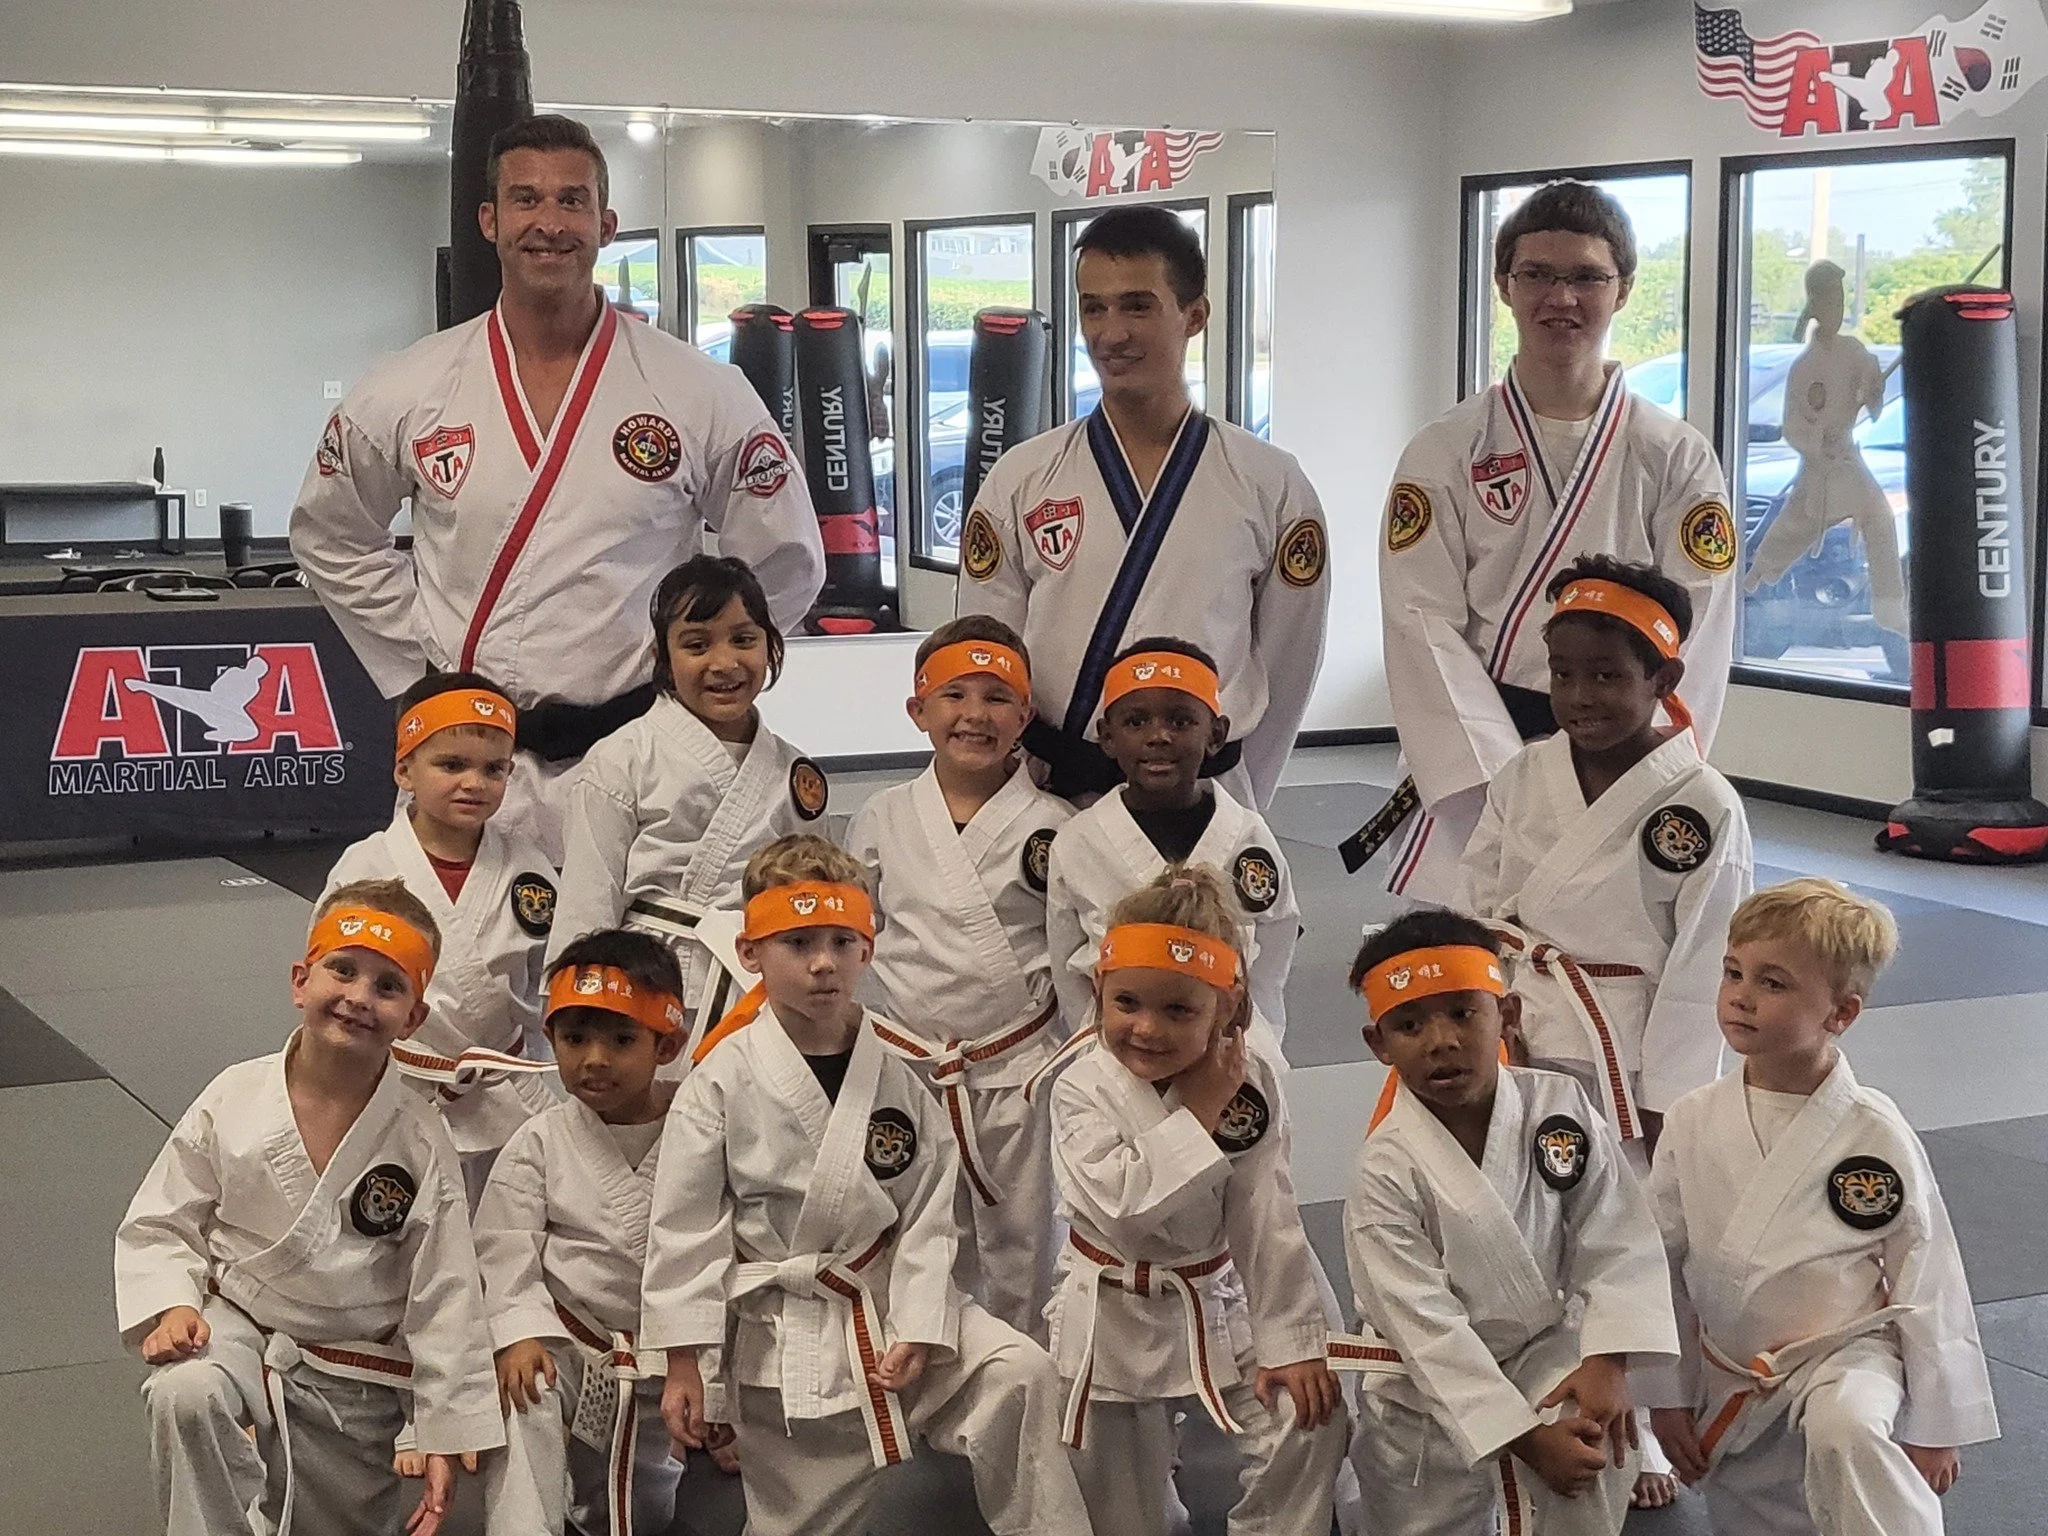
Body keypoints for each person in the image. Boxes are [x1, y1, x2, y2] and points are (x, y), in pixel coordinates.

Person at [290, 113, 825, 859]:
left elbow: (786, 558)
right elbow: (329, 534)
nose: (549, 223)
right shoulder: (407, 388)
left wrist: (705, 676)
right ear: (489, 220)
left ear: (606, 224)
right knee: (468, 966)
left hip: (641, 747)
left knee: (638, 967)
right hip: (471, 753)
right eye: (526, 199)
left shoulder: (700, 391)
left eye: (572, 200)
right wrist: (421, 655)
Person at [643, 836, 1093, 1536]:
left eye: (841, 941)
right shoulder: (721, 1080)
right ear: (753, 953)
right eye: (798, 943)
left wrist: (920, 1322)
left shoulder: (895, 1066)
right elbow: (684, 1230)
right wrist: (684, 1363)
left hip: (890, 1304)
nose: (823, 963)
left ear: (868, 951)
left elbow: (928, 1213)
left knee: (1019, 1372)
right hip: (789, 1329)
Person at [1379, 179, 1736, 902]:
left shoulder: (1673, 452)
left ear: (1625, 288)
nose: (1560, 298)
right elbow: (1421, 621)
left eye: (1585, 277)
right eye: (1537, 275)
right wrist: (1506, 776)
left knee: (1610, 962)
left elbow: (1697, 625)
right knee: (1477, 973)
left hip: (1622, 749)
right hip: (1484, 755)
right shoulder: (1445, 449)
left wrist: (1650, 759)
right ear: (1506, 287)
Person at [115, 880, 501, 1536]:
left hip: (351, 1366)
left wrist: (442, 1425)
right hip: (234, 1327)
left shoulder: (416, 1137)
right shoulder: (233, 1094)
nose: (358, 996)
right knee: (184, 1393)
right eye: (342, 970)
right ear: (301, 980)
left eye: (388, 985)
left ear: (412, 1018)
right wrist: (175, 1303)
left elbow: (448, 1290)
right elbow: (164, 1217)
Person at [1644, 879, 1999, 1536]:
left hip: (1847, 1357)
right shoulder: (1693, 1119)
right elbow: (1655, 1265)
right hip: (1734, 1371)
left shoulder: (1872, 1130)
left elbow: (1928, 1270)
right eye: (1733, 972)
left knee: (1849, 1428)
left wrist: (1938, 1424)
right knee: (1764, 1517)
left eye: (1773, 984)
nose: (1742, 996)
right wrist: (1664, 1396)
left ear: (1841, 1013)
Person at [955, 203, 1329, 810]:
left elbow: (1289, 664)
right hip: (1052, 794)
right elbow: (988, 654)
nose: (1110, 332)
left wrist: (1242, 791)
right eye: (1093, 307)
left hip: (1206, 794)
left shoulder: (1269, 482)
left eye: (1137, 305)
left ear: (1195, 315)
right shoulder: (1022, 477)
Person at [1344, 909, 1677, 1536]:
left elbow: (1617, 1235)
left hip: (1543, 1354)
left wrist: (1608, 1359)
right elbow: (1424, 1329)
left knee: (1594, 1441)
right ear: (1379, 1045)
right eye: (1409, 1024)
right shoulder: (1385, 1169)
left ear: (1511, 1016)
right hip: (1427, 1390)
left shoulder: (1559, 1106)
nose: (1440, 1040)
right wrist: (1523, 1440)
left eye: (1464, 1013)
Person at [1048, 864, 1345, 1536]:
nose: (1148, 1030)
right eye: (1128, 1004)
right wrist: (1200, 1111)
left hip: (1215, 1296)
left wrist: (1291, 1343)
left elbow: (1265, 1212)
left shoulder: (1250, 1077)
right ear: (1099, 991)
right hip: (1113, 1314)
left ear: (1229, 1009)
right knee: (1129, 1519)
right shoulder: (1079, 1084)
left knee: (1310, 1415)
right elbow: (1124, 1202)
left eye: (1179, 1009)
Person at [1459, 556, 1752, 1159]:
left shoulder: (1702, 803)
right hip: (1516, 1024)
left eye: (1605, 676)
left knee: (1626, 1220)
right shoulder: (1525, 772)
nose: (1578, 698)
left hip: (1626, 1046)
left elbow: (1704, 961)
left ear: (1664, 680)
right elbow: (1475, 902)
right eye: (1562, 675)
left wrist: (1672, 1095)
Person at [845, 616, 1075, 1339]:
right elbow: (857, 942)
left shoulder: (1057, 824)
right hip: (913, 1068)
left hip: (1018, 1071)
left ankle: (1025, 1375)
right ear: (918, 710)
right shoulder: (881, 816)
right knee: (918, 1230)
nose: (976, 714)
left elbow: (1072, 956)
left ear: (1026, 717)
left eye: (997, 697)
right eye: (955, 695)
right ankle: (928, 1365)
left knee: (1024, 1242)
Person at [475, 929, 696, 1536]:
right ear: (550, 1038)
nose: (594, 1058)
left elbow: (735, 1246)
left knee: (651, 1511)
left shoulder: (704, 1126)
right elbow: (503, 1248)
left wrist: (711, 1372)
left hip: (679, 1359)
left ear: (667, 1045)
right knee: (526, 1396)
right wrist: (521, 1333)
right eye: (575, 1039)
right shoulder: (539, 1142)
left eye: (622, 1039)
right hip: (573, 1352)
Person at [549, 554, 824, 1031]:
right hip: (650, 987)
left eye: (744, 640)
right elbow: (587, 905)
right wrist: (583, 1017)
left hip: (764, 987)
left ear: (771, 647)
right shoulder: (621, 759)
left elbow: (813, 903)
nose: (724, 663)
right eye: (696, 645)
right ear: (662, 657)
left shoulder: (795, 771)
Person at [321, 671, 560, 1203]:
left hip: (505, 1095)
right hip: (396, 1085)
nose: (474, 783)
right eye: (451, 765)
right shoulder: (365, 868)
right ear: (404, 770)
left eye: (494, 769)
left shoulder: (530, 868)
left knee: (510, 1235)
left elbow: (549, 980)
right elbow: (332, 984)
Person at [1045, 638, 1295, 1054]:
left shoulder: (1248, 840)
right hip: (1117, 1053)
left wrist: (1250, 1043)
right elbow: (1067, 968)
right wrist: (1099, 1048)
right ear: (1107, 737)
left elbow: (1271, 962)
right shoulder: (1079, 842)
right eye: (1136, 722)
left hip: (1226, 1051)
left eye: (1180, 722)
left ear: (1215, 735)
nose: (1158, 736)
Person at [1744, 260, 1906, 642]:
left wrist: (1873, 393)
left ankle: (1888, 609)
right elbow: (1794, 427)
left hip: (1848, 462)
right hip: (1820, 468)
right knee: (1790, 530)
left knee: (1880, 520)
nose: (1837, 308)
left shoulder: (1853, 351)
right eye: (1830, 300)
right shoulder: (1804, 367)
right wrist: (1818, 443)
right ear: (1817, 306)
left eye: (1840, 300)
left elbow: (1871, 389)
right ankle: (1750, 586)